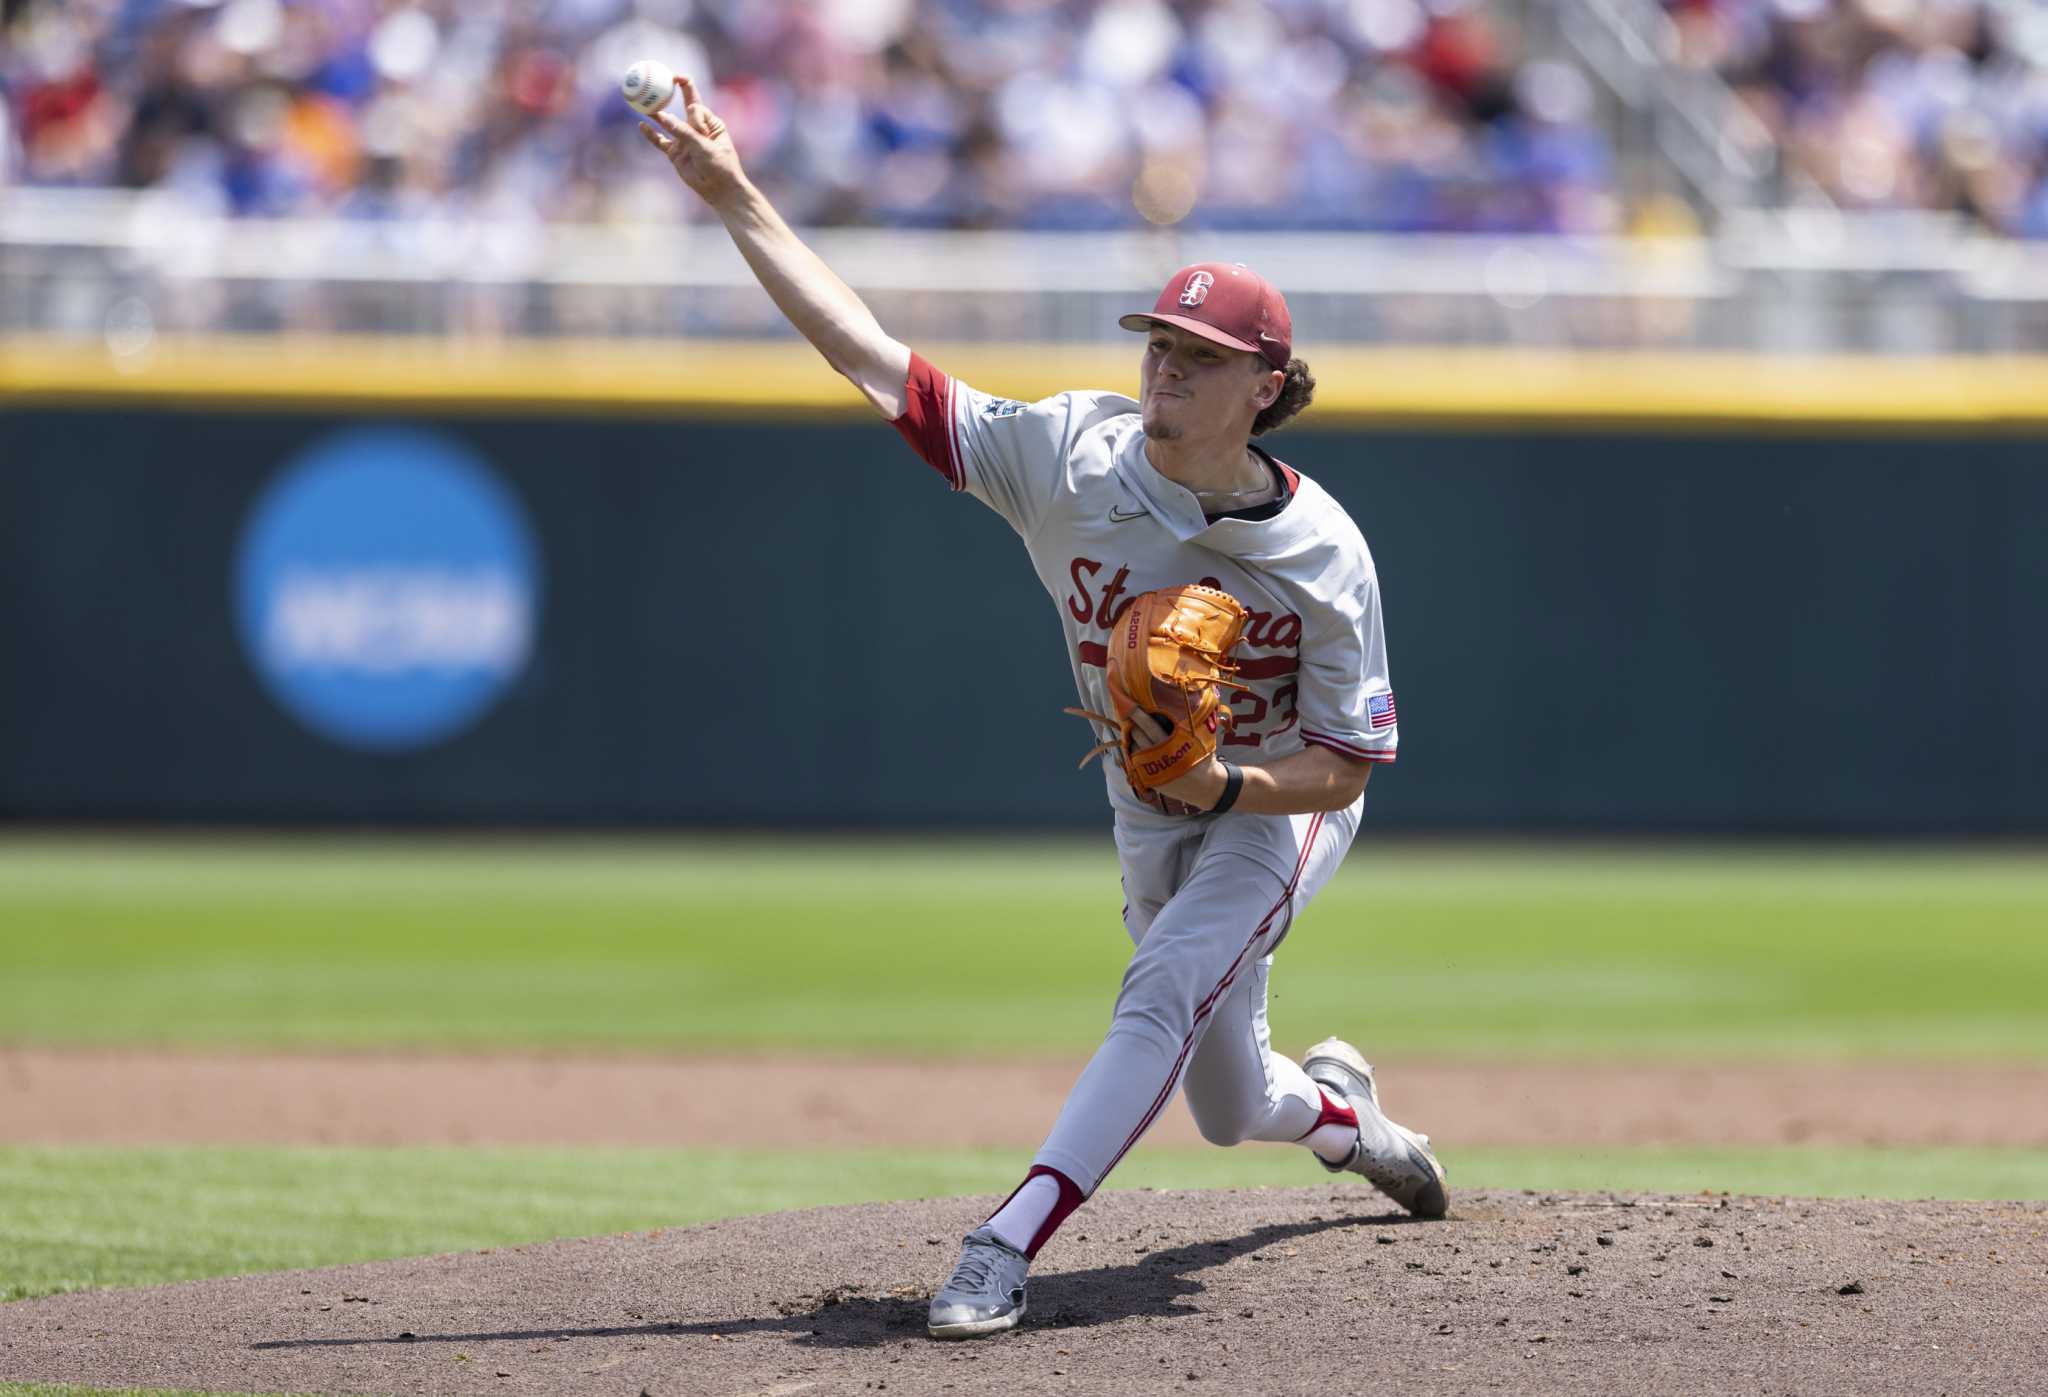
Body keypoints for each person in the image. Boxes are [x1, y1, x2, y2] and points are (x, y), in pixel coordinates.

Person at [638, 75, 1447, 1342]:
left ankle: (1000, 1240)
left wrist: (1229, 789)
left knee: (1158, 989)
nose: (1163, 368)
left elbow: (1346, 766)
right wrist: (736, 195)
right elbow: (870, 357)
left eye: (1199, 358)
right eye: (1157, 346)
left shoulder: (1324, 551)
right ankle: (1346, 1115)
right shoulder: (1064, 454)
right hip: (1147, 800)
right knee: (1230, 1102)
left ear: (1264, 387)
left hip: (1273, 798)